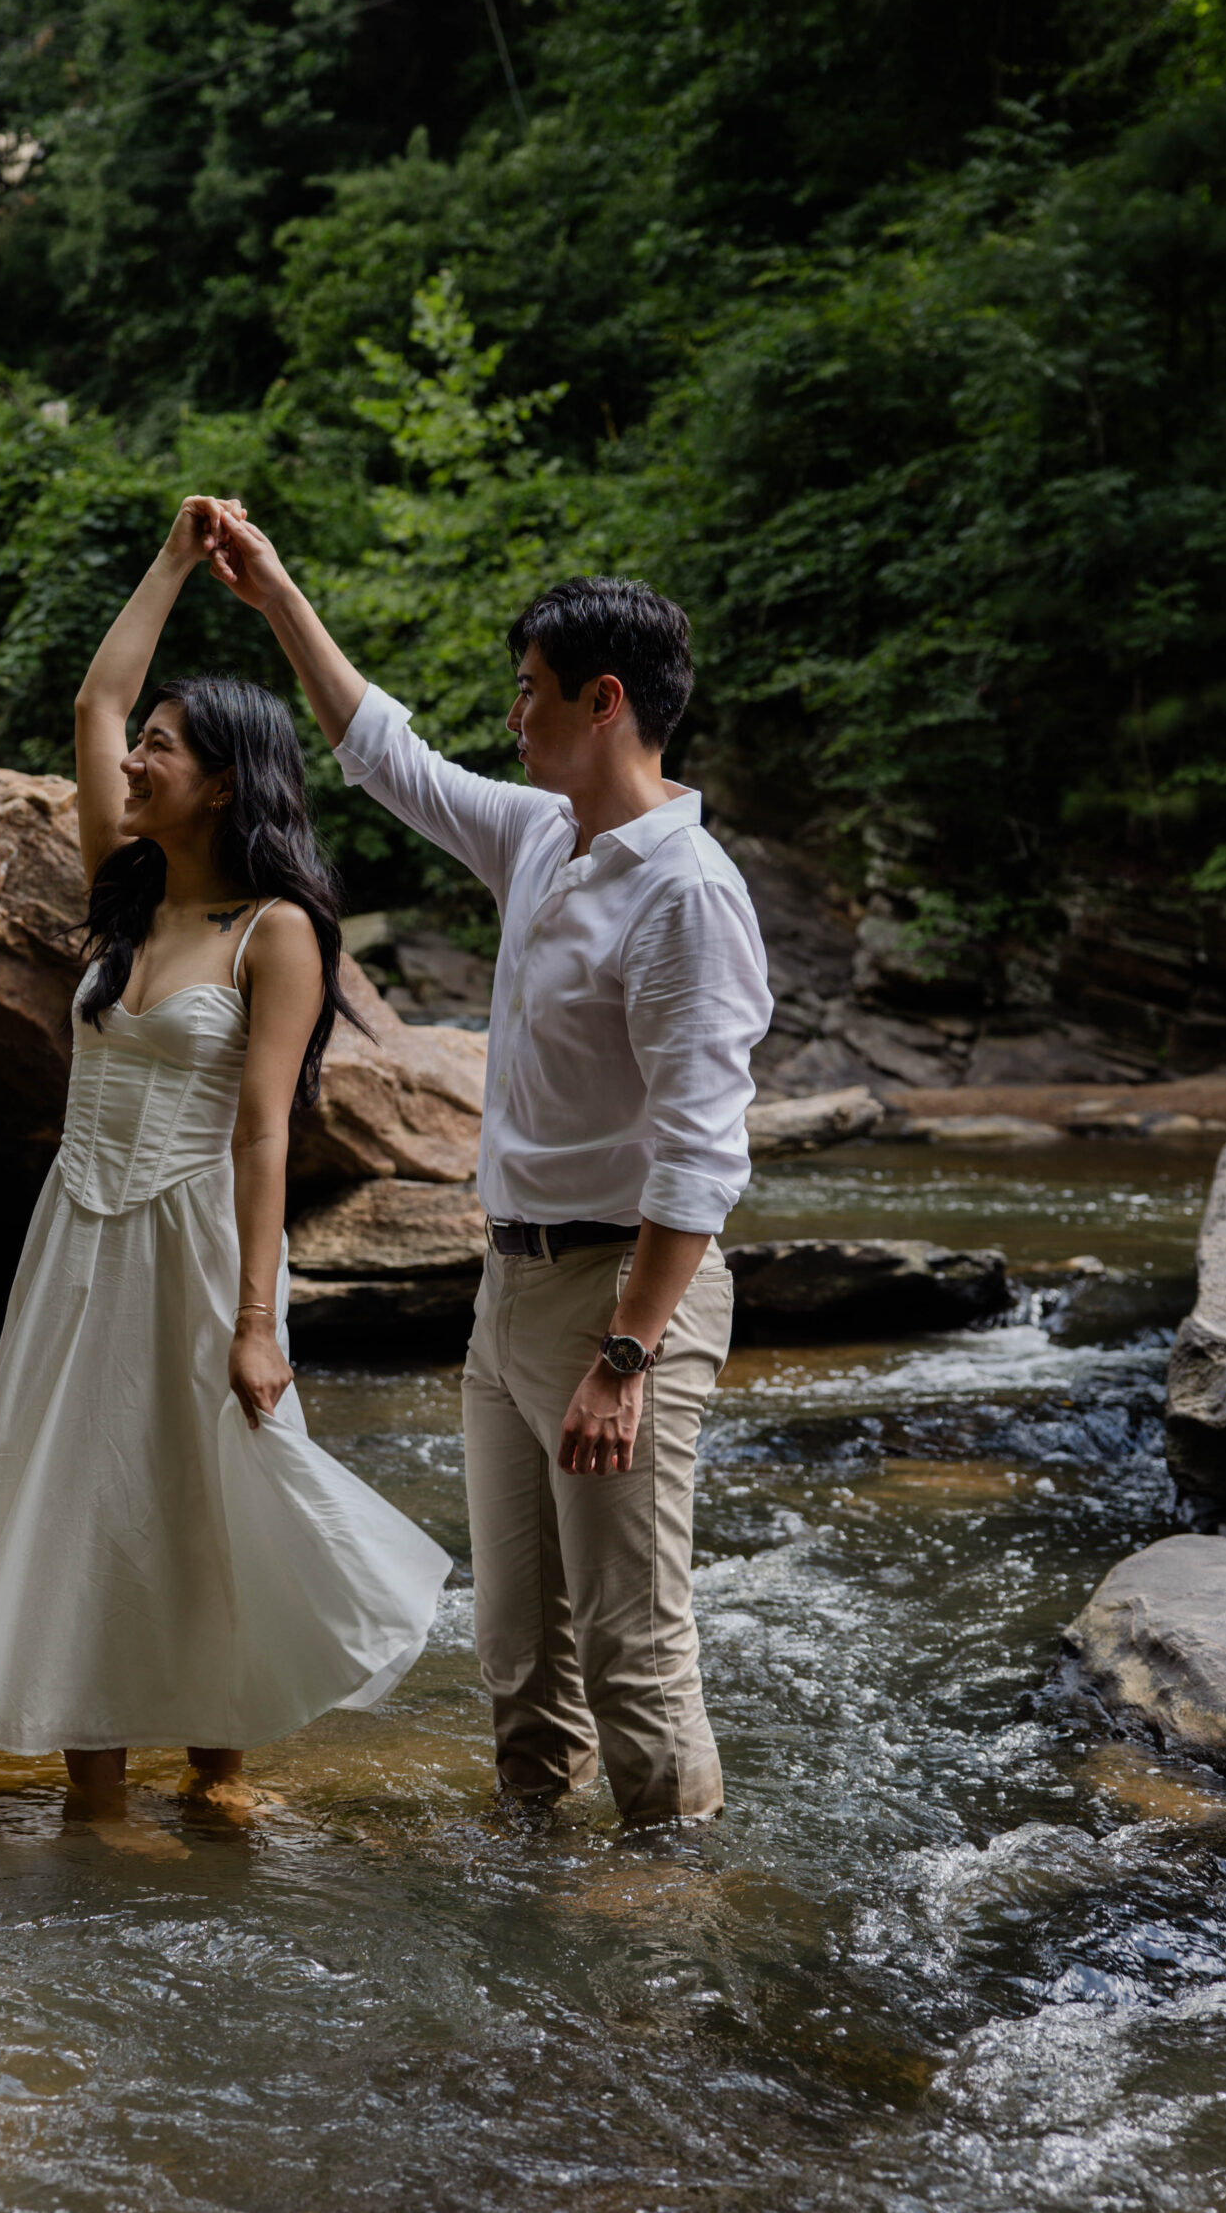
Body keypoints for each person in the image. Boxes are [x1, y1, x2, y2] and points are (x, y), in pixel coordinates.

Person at [205, 509, 771, 1824]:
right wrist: (278, 592)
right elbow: (381, 754)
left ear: (605, 701)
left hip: (623, 1301)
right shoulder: (540, 838)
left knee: (633, 1654)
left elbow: (701, 1153)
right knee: (518, 1660)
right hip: (507, 1289)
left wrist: (627, 1357)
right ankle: (539, 1903)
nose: (514, 720)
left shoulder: (687, 894)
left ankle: (670, 1943)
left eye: (530, 695)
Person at [0, 498, 450, 1811]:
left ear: (223, 780)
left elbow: (266, 1131)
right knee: (77, 1496)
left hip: (195, 1244)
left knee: (207, 1496)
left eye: (162, 752)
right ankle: (93, 1783)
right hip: (76, 1239)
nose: (134, 763)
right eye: (141, 751)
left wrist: (262, 1323)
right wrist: (168, 563)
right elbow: (97, 703)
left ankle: (220, 1768)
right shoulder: (126, 893)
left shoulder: (277, 933)